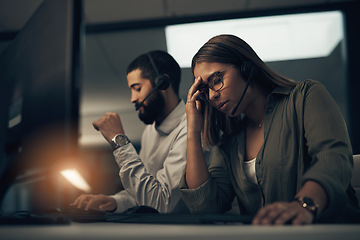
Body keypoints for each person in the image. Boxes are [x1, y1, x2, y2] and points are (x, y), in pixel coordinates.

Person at [180, 34, 358, 225]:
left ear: (246, 68)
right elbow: (206, 206)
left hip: (330, 231)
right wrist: (192, 130)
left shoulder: (305, 97)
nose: (213, 96)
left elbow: (333, 158)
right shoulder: (229, 141)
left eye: (216, 80)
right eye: (205, 90)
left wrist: (303, 206)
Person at [71, 50, 188, 214]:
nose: (132, 98)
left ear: (163, 83)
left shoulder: (189, 129)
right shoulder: (150, 132)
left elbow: (161, 204)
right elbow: (144, 193)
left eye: (137, 88)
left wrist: (119, 141)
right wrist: (114, 202)